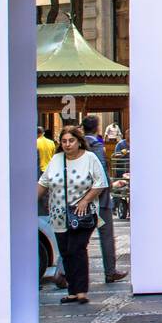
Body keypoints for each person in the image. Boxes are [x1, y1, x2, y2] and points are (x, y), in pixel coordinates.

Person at [38, 125, 108, 304]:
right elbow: (43, 183)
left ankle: (82, 291)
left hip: (82, 214)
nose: (68, 144)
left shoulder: (89, 158)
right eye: (64, 141)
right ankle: (72, 290)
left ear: (79, 142)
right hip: (58, 214)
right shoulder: (57, 159)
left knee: (77, 249)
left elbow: (100, 183)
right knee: (66, 251)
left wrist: (86, 200)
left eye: (71, 141)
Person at [81, 116, 127, 282]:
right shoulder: (96, 145)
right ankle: (110, 271)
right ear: (97, 128)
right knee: (106, 235)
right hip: (100, 200)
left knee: (80, 237)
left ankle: (63, 272)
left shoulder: (78, 145)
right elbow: (100, 172)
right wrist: (112, 185)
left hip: (81, 197)